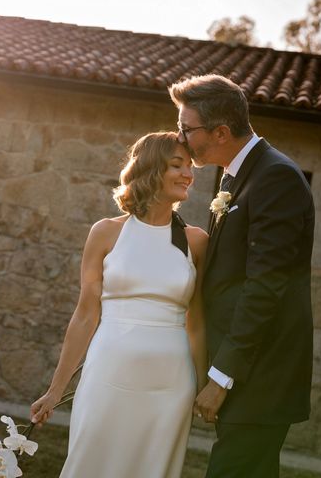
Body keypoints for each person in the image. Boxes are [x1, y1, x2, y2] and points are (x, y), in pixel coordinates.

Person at [29, 131, 208, 477]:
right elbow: (85, 315)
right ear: (150, 169)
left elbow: (197, 322)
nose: (188, 174)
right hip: (108, 372)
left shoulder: (196, 241)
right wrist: (55, 391)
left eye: (190, 166)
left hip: (170, 383)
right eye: (177, 165)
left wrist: (204, 388)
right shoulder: (106, 233)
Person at [169, 74, 314, 478]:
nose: (180, 137)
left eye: (186, 128)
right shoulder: (240, 174)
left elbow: (265, 285)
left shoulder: (276, 178)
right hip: (247, 369)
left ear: (220, 132)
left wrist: (221, 375)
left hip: (260, 373)